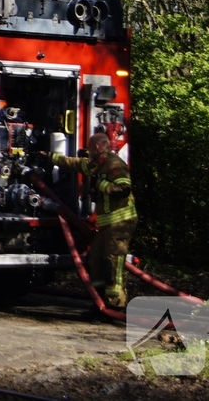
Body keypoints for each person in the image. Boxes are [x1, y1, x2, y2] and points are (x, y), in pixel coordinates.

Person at [38, 132, 137, 311]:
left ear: (98, 147)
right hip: (107, 224)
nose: (88, 152)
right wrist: (51, 157)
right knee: (95, 261)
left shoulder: (114, 165)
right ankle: (98, 303)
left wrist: (101, 185)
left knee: (111, 263)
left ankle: (116, 306)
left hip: (121, 223)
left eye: (90, 148)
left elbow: (123, 189)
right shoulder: (96, 164)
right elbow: (75, 163)